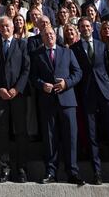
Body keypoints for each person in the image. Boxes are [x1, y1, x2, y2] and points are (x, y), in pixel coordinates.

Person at [71, 18, 109, 185]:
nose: (85, 29)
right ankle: (97, 173)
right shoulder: (74, 48)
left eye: (87, 26)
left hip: (106, 94)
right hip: (87, 96)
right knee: (92, 137)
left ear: (92, 28)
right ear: (79, 29)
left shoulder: (101, 45)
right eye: (82, 26)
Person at [30, 27, 84, 185]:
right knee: (50, 138)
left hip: (67, 101)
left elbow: (78, 72)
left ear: (55, 36)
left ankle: (72, 172)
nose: (49, 36)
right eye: (46, 35)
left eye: (51, 34)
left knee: (71, 137)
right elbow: (33, 77)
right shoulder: (37, 54)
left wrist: (66, 83)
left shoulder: (67, 52)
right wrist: (41, 85)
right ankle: (51, 172)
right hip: (48, 102)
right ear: (42, 38)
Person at [0, 16, 30, 182]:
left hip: (17, 95)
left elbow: (26, 69)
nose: (4, 28)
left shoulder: (22, 44)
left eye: (7, 26)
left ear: (13, 28)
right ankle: (5, 168)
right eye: (2, 26)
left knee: (21, 132)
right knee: (2, 133)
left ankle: (21, 169)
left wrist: (16, 89)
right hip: (1, 96)